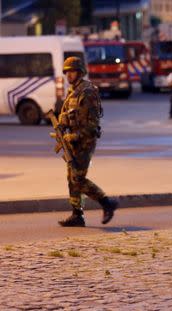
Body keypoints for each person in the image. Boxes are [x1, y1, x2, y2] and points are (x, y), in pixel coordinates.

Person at [57, 57, 118, 227]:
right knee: (71, 178)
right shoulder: (72, 92)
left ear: (80, 72)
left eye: (72, 71)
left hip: (85, 142)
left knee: (78, 179)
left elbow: (92, 125)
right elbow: (68, 115)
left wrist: (73, 137)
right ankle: (77, 214)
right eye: (67, 72)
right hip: (73, 144)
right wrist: (62, 125)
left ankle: (107, 203)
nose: (69, 74)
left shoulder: (87, 91)